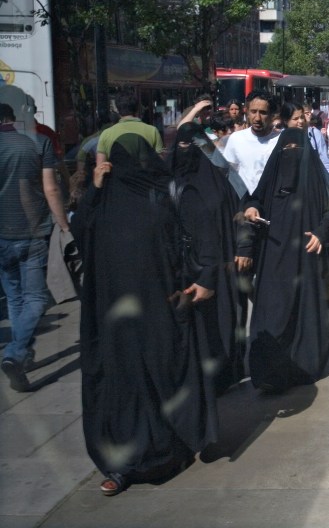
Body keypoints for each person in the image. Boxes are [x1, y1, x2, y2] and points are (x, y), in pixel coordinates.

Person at [75, 134, 217, 496]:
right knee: (139, 381)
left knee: (149, 380)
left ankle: (163, 452)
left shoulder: (147, 197)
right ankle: (127, 464)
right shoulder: (120, 200)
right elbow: (81, 235)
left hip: (148, 311)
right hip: (138, 316)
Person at [241, 128, 329, 392]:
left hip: (307, 257)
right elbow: (254, 199)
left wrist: (321, 233)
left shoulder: (316, 181)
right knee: (271, 311)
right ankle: (269, 372)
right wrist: (252, 209)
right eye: (286, 151)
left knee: (305, 308)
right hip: (273, 255)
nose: (291, 156)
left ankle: (304, 365)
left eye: (297, 152)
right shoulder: (271, 179)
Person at [170, 124, 245, 395]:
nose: (186, 152)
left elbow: (243, 206)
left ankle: (225, 370)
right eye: (181, 145)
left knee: (223, 319)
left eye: (194, 146)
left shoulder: (226, 177)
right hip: (185, 266)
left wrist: (242, 248)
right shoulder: (171, 180)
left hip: (221, 262)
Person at [0, 103, 71, 391]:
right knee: (37, 299)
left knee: (14, 298)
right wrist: (63, 223)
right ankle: (16, 353)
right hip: (32, 231)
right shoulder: (38, 143)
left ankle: (23, 353)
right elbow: (50, 188)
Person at [221, 91, 281, 197]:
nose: (257, 118)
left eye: (263, 112)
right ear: (247, 112)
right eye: (253, 112)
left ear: (272, 115)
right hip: (244, 203)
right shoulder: (236, 139)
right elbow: (228, 172)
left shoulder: (281, 140)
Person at [96, 94, 164, 164]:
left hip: (117, 174)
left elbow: (100, 167)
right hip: (145, 174)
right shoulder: (152, 131)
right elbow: (160, 163)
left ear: (118, 110)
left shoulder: (106, 134)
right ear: (137, 109)